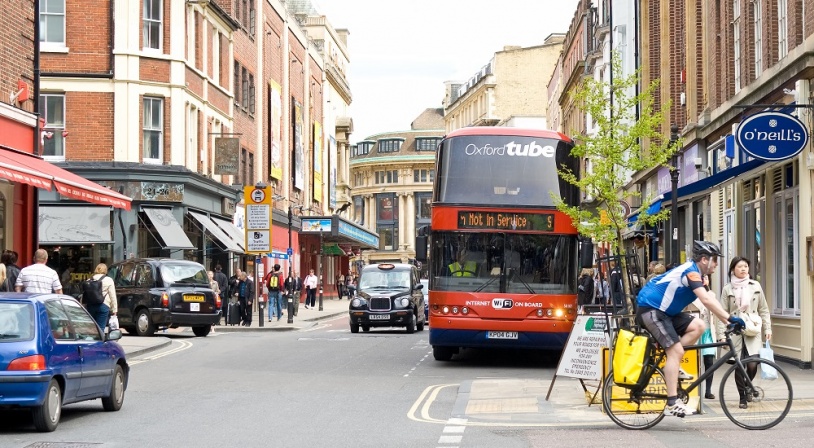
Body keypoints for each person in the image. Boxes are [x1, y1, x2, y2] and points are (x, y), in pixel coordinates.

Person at [636, 241, 745, 418]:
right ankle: (671, 403)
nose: (716, 264)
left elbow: (710, 299)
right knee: (676, 351)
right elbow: (707, 301)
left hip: (666, 312)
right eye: (714, 260)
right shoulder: (691, 272)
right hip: (651, 309)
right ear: (704, 259)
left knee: (699, 326)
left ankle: (672, 361)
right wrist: (730, 318)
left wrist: (727, 320)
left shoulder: (699, 275)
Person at [717, 256, 771, 409]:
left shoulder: (756, 286)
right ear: (733, 269)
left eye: (746, 266)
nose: (743, 269)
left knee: (753, 364)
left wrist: (768, 328)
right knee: (739, 365)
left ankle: (748, 386)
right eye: (740, 266)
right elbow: (722, 312)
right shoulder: (727, 288)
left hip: (752, 328)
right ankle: (742, 397)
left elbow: (764, 309)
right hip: (735, 329)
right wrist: (721, 334)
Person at [690, 293, 717, 400]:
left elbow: (717, 315)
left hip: (708, 333)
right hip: (694, 331)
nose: (704, 279)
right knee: (694, 362)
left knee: (709, 361)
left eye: (705, 278)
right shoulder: (688, 294)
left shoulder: (711, 295)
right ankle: (692, 390)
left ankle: (708, 391)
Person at [86, 263, 117, 332]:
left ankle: (91, 340)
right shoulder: (109, 280)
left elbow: (85, 294)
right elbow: (112, 296)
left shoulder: (89, 280)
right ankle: (100, 341)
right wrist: (114, 310)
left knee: (92, 328)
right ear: (105, 270)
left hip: (91, 306)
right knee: (100, 328)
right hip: (103, 305)